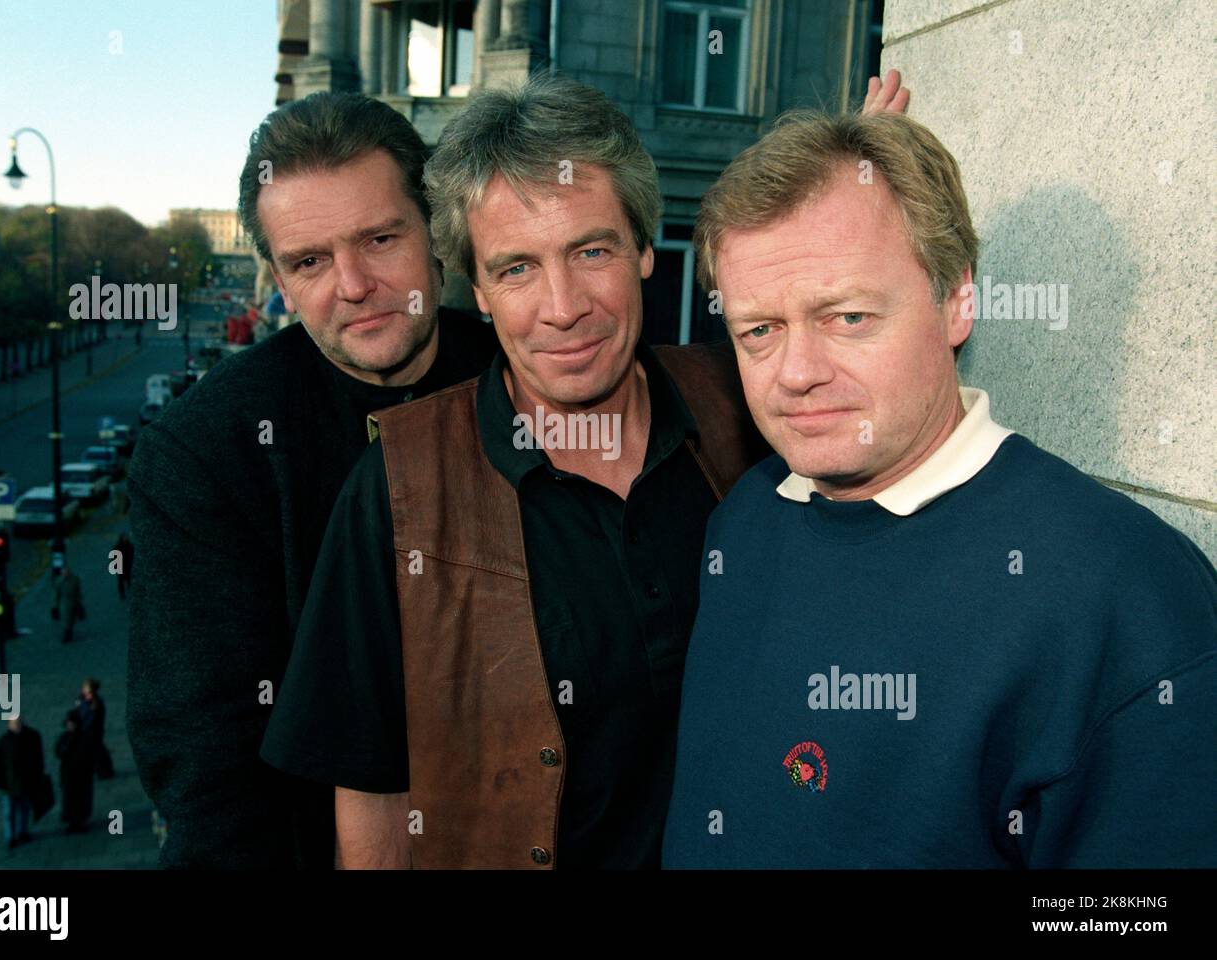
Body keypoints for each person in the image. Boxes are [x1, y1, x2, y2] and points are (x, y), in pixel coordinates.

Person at [260, 73, 908, 869]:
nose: (562, 306)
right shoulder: (399, 486)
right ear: (479, 293)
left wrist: (856, 186)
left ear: (644, 249)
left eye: (591, 250)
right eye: (516, 269)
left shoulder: (742, 412)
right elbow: (373, 793)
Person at [661, 110, 1217, 868]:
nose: (795, 373)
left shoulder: (1127, 592)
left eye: (848, 316)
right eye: (760, 330)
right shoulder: (745, 519)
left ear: (956, 300)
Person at [127, 91, 499, 868]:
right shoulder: (205, 452)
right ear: (279, 281)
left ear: (436, 232)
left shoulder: (526, 379)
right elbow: (207, 763)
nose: (353, 284)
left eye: (380, 238)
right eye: (309, 261)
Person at [0, 716, 44, 849]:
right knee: (9, 812)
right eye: (15, 723)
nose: (17, 725)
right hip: (9, 784)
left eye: (19, 722)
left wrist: (39, 776)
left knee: (24, 809)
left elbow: (38, 759)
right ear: (9, 724)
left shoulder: (32, 737)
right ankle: (11, 836)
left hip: (25, 782)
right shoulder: (3, 742)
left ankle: (22, 832)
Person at [55, 709, 94, 834]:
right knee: (69, 800)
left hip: (82, 775)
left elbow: (89, 755)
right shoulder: (64, 737)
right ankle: (72, 822)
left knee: (82, 799)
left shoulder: (85, 737)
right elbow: (58, 752)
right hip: (68, 775)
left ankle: (81, 821)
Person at [77, 678, 113, 780]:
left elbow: (90, 719)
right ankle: (103, 770)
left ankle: (104, 771)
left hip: (93, 731)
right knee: (97, 751)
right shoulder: (84, 700)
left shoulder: (95, 703)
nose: (83, 690)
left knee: (96, 751)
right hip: (90, 731)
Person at [51, 565, 84, 644]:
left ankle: (69, 631)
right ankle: (67, 633)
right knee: (66, 619)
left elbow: (78, 591)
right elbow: (56, 595)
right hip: (64, 603)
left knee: (72, 619)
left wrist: (79, 601)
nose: (65, 572)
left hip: (73, 601)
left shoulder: (75, 579)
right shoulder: (59, 581)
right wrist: (54, 606)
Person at [112, 532, 134, 600]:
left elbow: (132, 554)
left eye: (126, 538)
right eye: (124, 538)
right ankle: (122, 594)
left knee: (128, 578)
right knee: (121, 581)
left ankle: (129, 588)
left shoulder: (130, 546)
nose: (125, 539)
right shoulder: (117, 547)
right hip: (120, 566)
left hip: (127, 565)